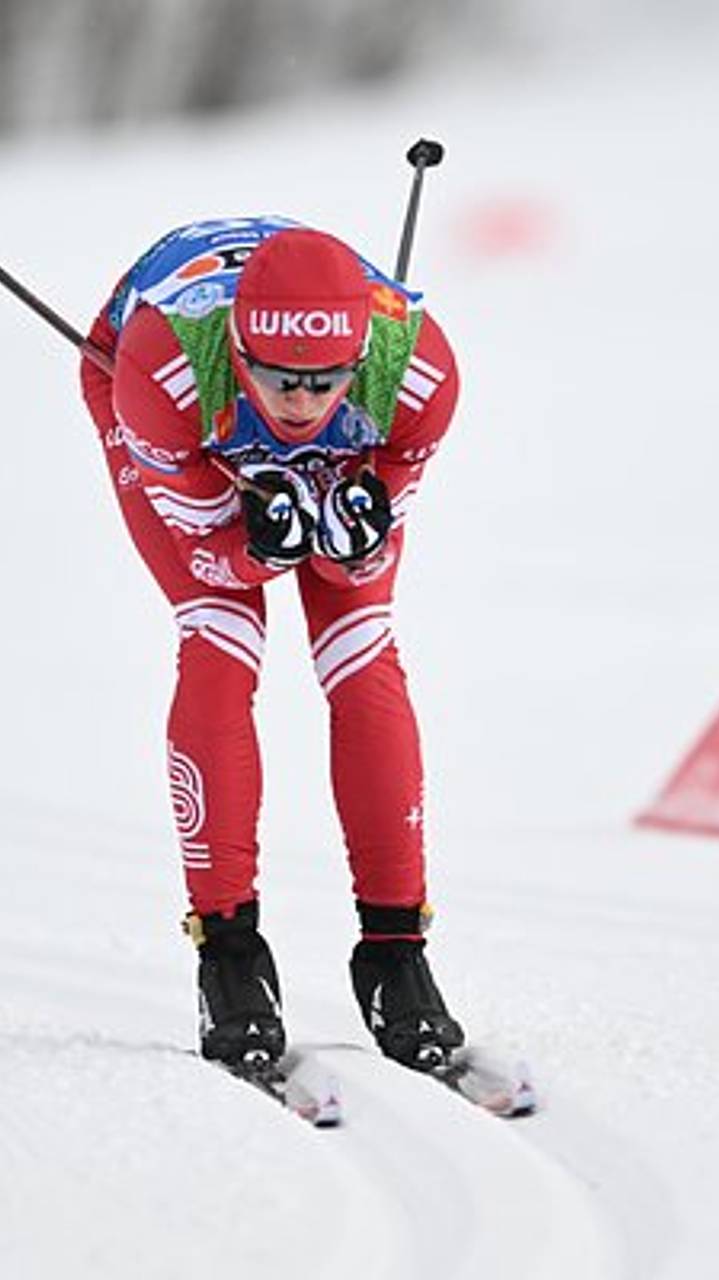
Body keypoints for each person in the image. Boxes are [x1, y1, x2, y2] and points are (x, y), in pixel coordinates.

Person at [79, 215, 464, 1072]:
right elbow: (209, 554)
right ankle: (230, 956)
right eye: (280, 379)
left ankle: (396, 948)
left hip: (324, 422)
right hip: (167, 397)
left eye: (324, 382)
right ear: (239, 353)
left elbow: (376, 520)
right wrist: (256, 544)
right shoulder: (162, 367)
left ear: (362, 358)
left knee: (362, 652)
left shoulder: (420, 372)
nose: (299, 404)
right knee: (221, 634)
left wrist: (357, 525)